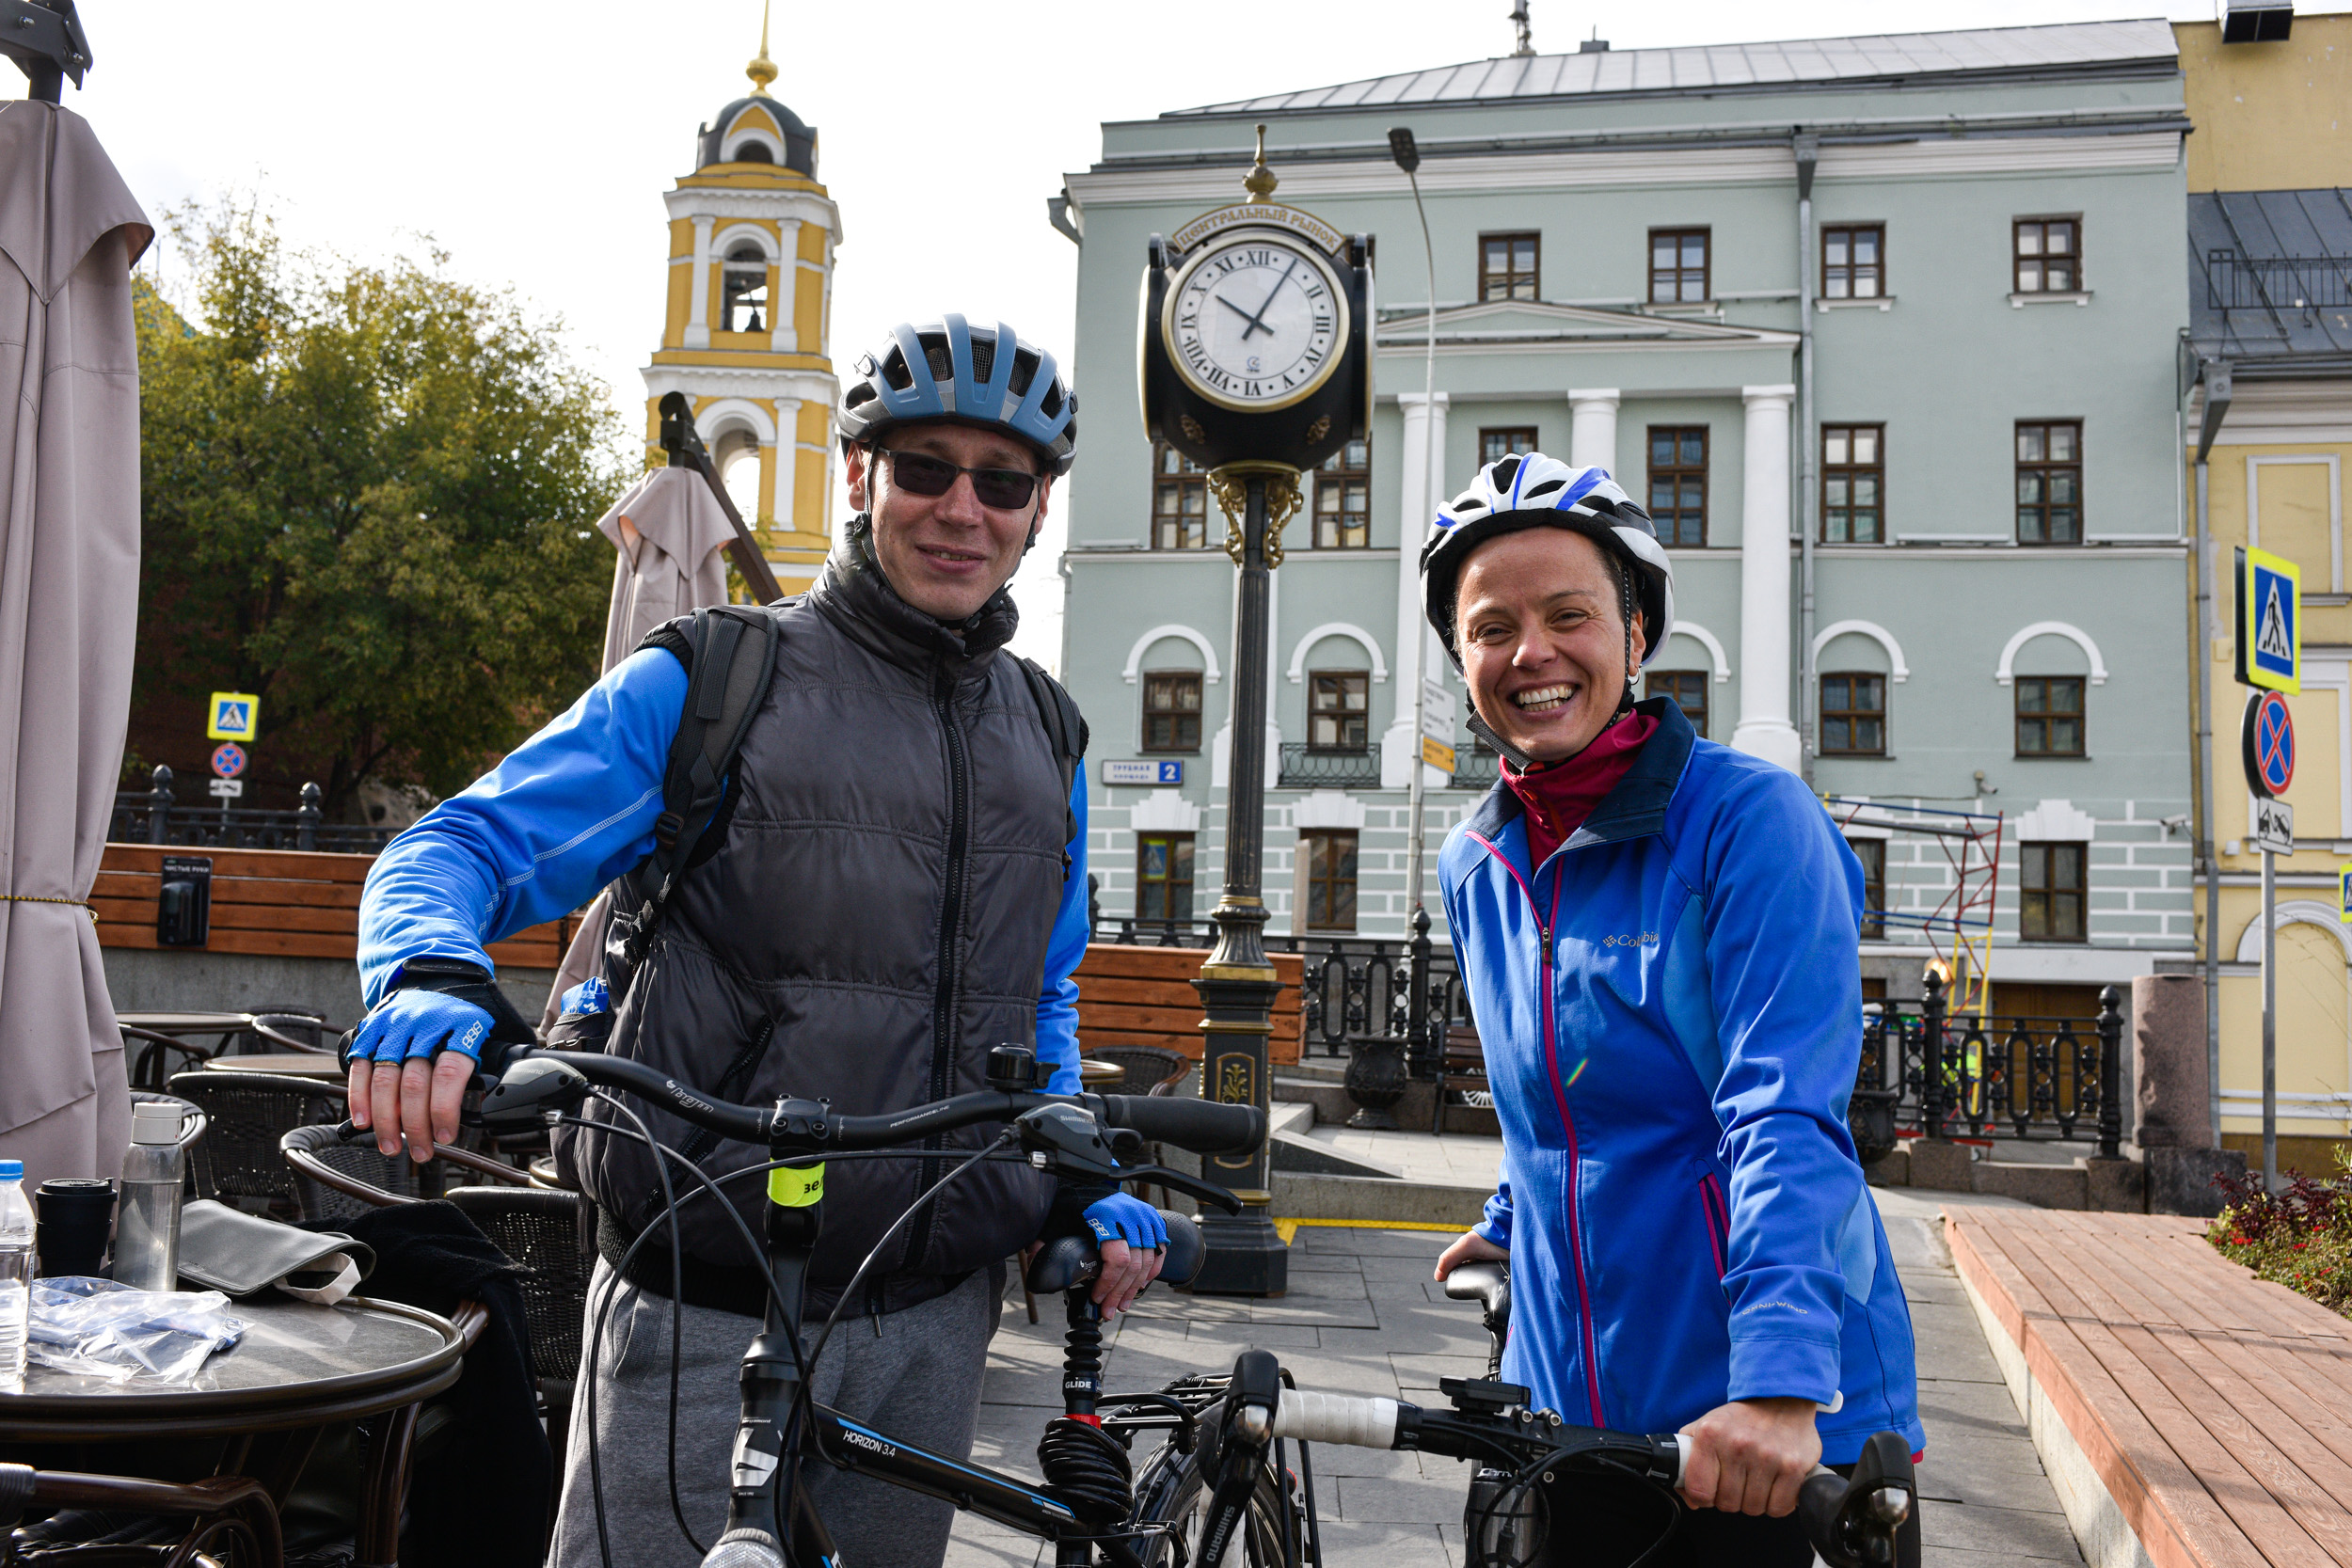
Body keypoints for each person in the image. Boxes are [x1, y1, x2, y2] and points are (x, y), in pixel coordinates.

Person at [343, 316, 1170, 1568]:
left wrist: (1071, 1154)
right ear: (857, 476)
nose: (962, 508)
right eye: (923, 468)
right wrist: (424, 973)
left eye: (1001, 480)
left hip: (938, 1313)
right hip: (705, 1294)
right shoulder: (721, 678)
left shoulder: (1046, 735)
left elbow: (1038, 995)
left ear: (1040, 506)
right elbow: (457, 848)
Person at [1422, 452, 1923, 1567]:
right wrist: (1509, 1218)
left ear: (1636, 634)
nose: (1531, 653)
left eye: (1569, 615)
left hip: (1758, 1427)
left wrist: (1783, 1382)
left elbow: (1782, 1114)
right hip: (1574, 1405)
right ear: (1464, 659)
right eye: (1492, 626)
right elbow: (1552, 1091)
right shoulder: (1477, 859)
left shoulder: (1750, 822)